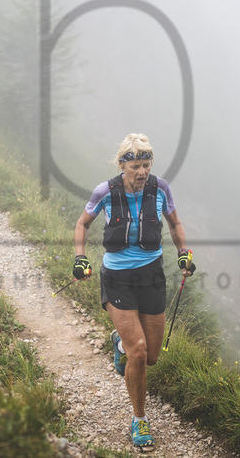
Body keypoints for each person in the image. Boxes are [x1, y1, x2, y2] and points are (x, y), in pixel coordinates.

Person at [72, 133, 196, 450]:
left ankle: (119, 342)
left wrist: (184, 252)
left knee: (151, 357)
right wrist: (80, 258)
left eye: (146, 164)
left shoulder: (160, 188)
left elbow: (175, 223)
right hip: (117, 277)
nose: (141, 172)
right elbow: (82, 223)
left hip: (152, 275)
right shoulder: (106, 191)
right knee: (138, 351)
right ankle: (139, 420)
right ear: (122, 165)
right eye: (135, 166)